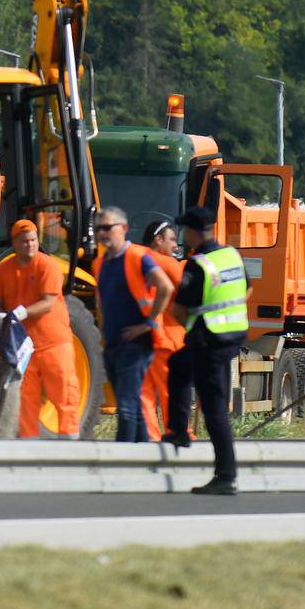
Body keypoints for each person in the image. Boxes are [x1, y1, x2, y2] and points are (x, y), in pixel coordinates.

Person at [161, 206, 249, 494]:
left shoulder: (197, 264)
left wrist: (194, 323)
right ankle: (178, 431)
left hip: (208, 340)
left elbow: (178, 310)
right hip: (231, 336)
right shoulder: (231, 255)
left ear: (193, 232)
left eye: (185, 230)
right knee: (179, 365)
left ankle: (226, 476)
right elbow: (247, 288)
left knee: (214, 410)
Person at [0, 219, 79, 438]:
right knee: (25, 400)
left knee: (64, 394)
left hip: (53, 343)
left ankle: (70, 441)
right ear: (14, 243)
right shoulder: (3, 270)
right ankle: (28, 444)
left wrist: (22, 313)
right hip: (22, 347)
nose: (30, 244)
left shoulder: (47, 265)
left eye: (33, 240)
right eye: (24, 241)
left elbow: (48, 302)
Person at [94, 205, 173, 442]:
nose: (103, 233)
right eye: (99, 229)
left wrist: (148, 324)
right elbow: (101, 303)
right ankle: (142, 454)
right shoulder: (100, 263)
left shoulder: (138, 257)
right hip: (113, 341)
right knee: (132, 404)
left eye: (108, 227)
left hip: (136, 342)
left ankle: (123, 460)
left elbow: (165, 287)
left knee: (127, 405)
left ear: (124, 228)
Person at [139, 218, 185, 443]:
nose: (176, 246)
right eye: (172, 240)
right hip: (166, 338)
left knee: (144, 392)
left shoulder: (134, 259)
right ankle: (176, 431)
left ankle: (150, 435)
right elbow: (189, 291)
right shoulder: (166, 263)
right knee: (170, 390)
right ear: (158, 240)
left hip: (141, 337)